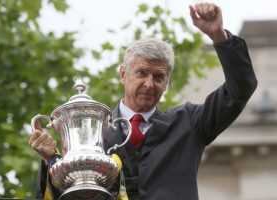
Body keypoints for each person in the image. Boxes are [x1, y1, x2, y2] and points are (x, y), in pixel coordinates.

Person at [29, 2, 257, 200]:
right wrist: (52, 161)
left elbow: (240, 89)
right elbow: (68, 195)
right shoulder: (92, 132)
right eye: (141, 73)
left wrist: (219, 36)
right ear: (122, 74)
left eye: (159, 77)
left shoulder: (189, 122)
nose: (150, 84)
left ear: (166, 83)